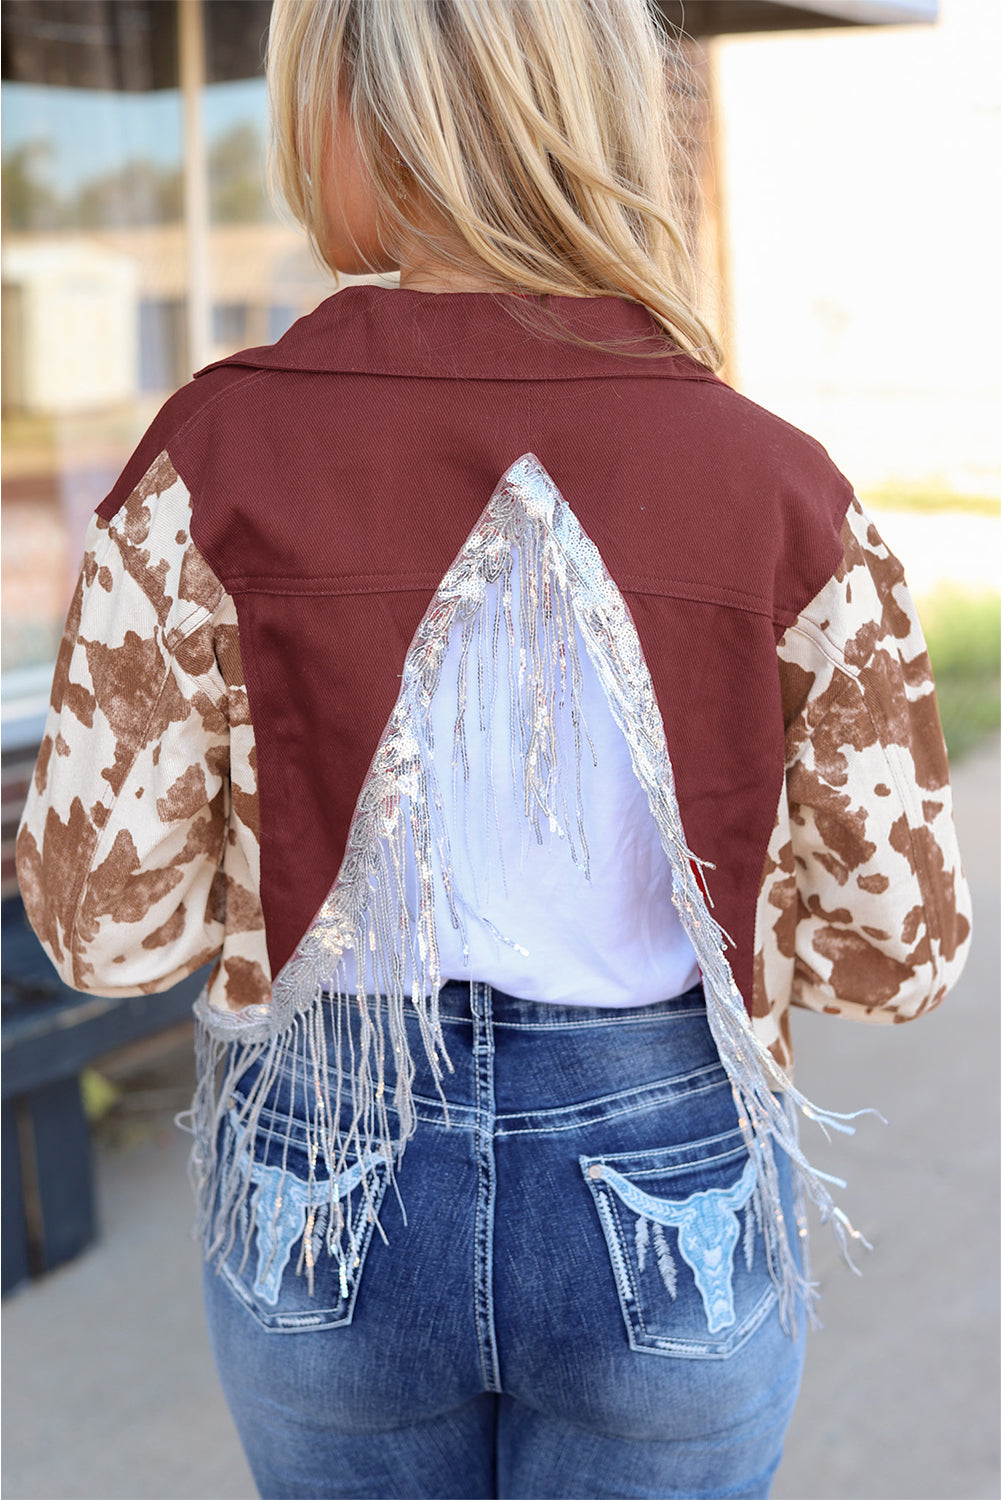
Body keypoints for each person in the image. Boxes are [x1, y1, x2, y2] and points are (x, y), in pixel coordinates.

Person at [16, 1, 972, 1496]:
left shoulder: (212, 460)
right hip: (668, 1170)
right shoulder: (778, 485)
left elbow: (103, 933)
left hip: (319, 1164)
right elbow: (895, 956)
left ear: (334, 114)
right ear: (601, 112)